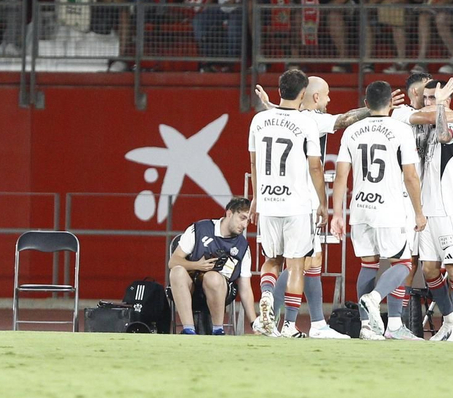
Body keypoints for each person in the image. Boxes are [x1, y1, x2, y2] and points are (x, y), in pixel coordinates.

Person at [329, 80, 425, 340]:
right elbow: (411, 176)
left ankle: (367, 326)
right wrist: (418, 211)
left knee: (368, 264)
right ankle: (381, 307)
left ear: (366, 103)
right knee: (402, 263)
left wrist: (337, 214)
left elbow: (341, 176)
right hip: (389, 207)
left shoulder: (351, 131)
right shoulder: (401, 130)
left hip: (360, 207)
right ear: (391, 103)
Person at [248, 67, 326, 337]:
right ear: (303, 93)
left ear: (280, 90)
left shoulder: (259, 120)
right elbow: (315, 167)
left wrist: (256, 197)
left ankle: (266, 294)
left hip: (268, 200)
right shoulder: (307, 123)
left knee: (272, 259)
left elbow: (254, 163)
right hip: (296, 204)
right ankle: (290, 325)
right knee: (295, 264)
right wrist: (323, 202)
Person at [414, 75, 453, 341]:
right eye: (427, 98)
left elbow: (443, 134)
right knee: (429, 269)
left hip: (450, 209)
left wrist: (442, 107)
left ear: (446, 101)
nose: (428, 102)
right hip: (427, 210)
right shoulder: (422, 126)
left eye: (434, 98)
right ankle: (449, 321)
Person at [167, 196, 256, 336]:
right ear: (229, 213)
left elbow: (245, 288)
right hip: (191, 288)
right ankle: (189, 330)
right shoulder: (199, 229)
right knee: (176, 272)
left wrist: (254, 324)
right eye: (242, 218)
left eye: (248, 221)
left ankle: (218, 330)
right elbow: (173, 261)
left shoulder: (243, 246)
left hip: (221, 290)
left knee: (212, 278)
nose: (245, 225)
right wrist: (197, 265)